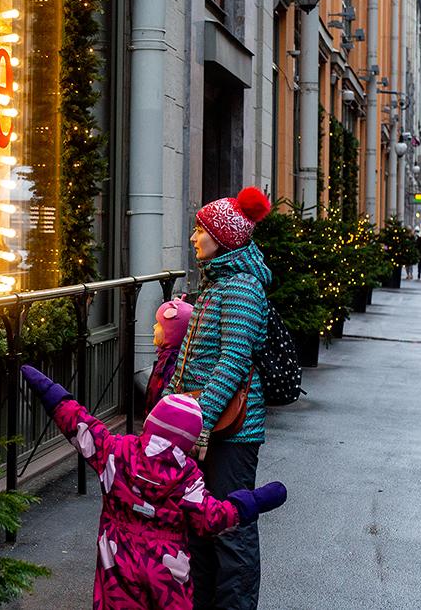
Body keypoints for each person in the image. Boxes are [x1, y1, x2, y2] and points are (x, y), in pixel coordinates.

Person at [20, 365, 288, 610]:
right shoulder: (187, 478)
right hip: (167, 573)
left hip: (117, 561)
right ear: (188, 441)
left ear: (151, 423)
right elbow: (211, 518)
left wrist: (48, 389)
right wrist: (253, 501)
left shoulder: (116, 453)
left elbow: (81, 426)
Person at [165, 186, 272, 610]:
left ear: (223, 238)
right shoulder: (217, 283)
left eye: (200, 230)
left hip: (232, 430)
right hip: (206, 426)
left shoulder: (242, 286)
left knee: (232, 528)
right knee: (200, 524)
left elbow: (232, 362)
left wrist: (201, 422)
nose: (194, 238)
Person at [144, 297, 194, 415]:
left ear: (172, 332)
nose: (154, 327)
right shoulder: (165, 358)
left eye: (159, 324)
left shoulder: (172, 364)